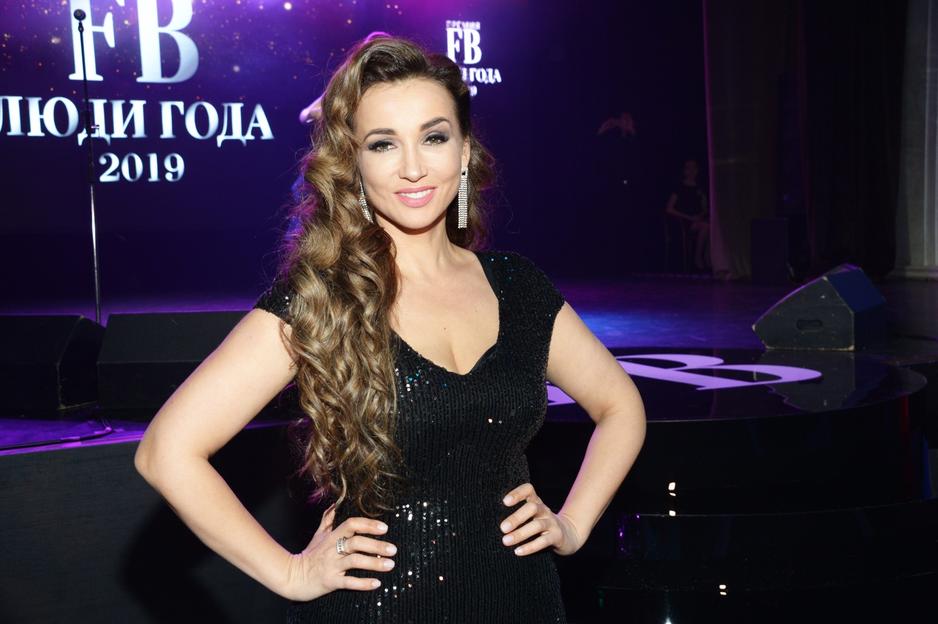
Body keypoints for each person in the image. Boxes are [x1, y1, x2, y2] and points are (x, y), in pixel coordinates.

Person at [134, 35, 646, 622]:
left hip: (521, 600)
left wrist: (573, 523)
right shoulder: (322, 299)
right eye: (383, 144)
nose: (412, 167)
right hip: (376, 608)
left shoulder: (519, 287)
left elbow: (620, 406)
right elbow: (166, 451)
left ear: (464, 151)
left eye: (433, 137)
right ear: (353, 164)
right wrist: (290, 572)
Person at [664, 158, 710, 272]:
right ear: (684, 171)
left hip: (698, 219)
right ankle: (697, 258)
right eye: (688, 168)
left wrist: (700, 215)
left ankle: (709, 259)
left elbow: (705, 208)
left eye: (694, 167)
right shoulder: (679, 187)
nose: (691, 170)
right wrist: (689, 218)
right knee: (705, 227)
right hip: (683, 221)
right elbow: (669, 208)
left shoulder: (701, 188)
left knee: (711, 226)